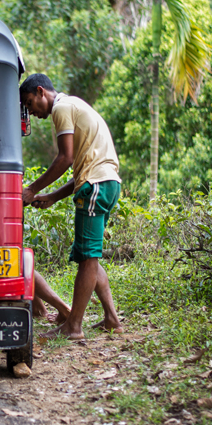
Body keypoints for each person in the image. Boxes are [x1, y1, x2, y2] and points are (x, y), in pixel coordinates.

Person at [20, 74, 123, 340]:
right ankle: (112, 318)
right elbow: (79, 170)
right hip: (106, 184)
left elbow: (65, 158)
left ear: (41, 91)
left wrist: (33, 189)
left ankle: (73, 326)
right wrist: (53, 196)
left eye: (30, 103)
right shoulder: (75, 105)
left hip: (95, 185)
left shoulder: (62, 108)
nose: (31, 111)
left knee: (88, 258)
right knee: (89, 255)